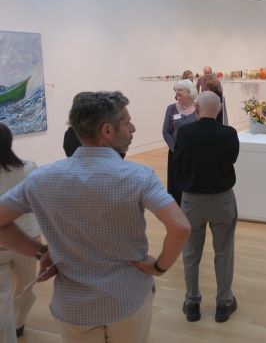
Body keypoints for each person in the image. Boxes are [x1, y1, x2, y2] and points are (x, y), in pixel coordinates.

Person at [0, 91, 190, 343]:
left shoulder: (41, 179)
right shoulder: (139, 176)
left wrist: (40, 252)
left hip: (73, 308)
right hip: (128, 300)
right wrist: (158, 267)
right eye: (126, 122)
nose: (133, 128)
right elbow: (180, 227)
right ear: (107, 131)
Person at [172, 91, 240, 324]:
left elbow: (177, 161)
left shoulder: (184, 133)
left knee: (191, 253)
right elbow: (232, 158)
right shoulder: (229, 133)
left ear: (198, 108)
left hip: (192, 201)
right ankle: (223, 303)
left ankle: (192, 303)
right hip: (222, 200)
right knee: (224, 252)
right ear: (219, 109)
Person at [0, 123, 40, 341]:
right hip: (27, 239)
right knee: (25, 288)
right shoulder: (29, 168)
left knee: (1, 296)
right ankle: (18, 324)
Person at [162, 79, 198, 204]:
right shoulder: (171, 108)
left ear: (189, 92)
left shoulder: (198, 108)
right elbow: (166, 132)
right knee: (175, 182)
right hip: (176, 152)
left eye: (180, 90)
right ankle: (176, 206)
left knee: (192, 179)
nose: (177, 92)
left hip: (193, 153)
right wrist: (174, 149)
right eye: (176, 90)